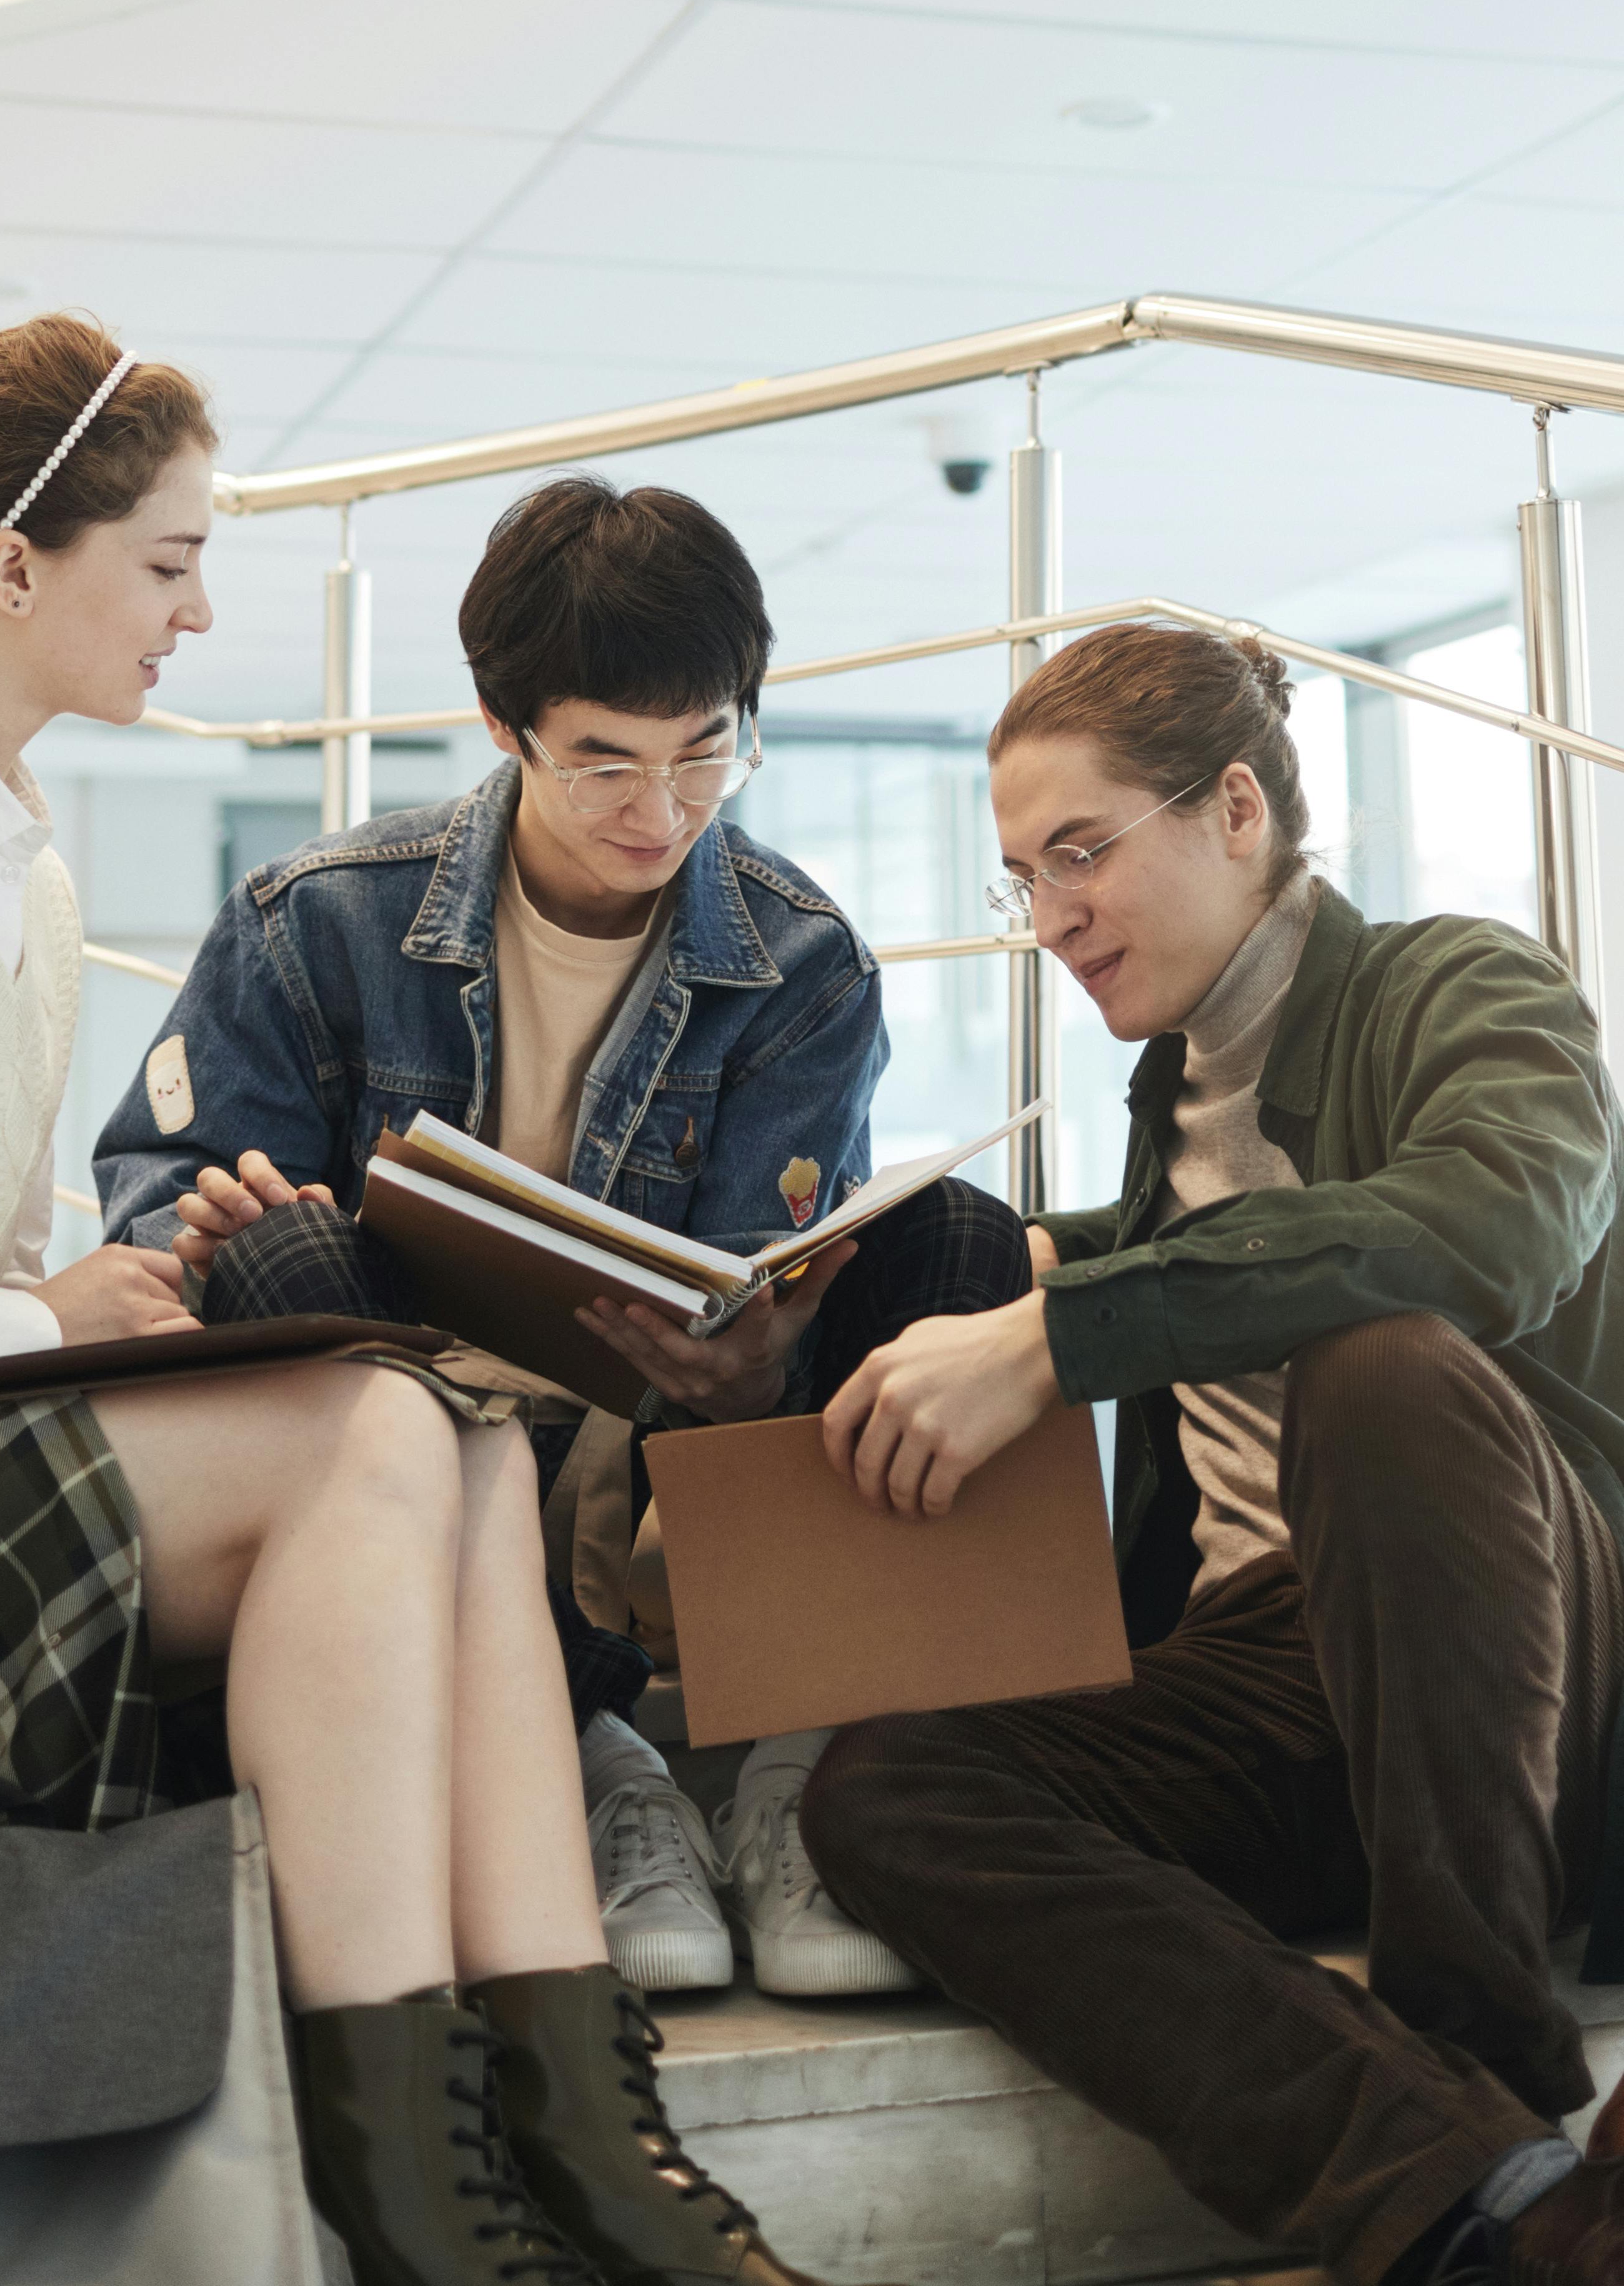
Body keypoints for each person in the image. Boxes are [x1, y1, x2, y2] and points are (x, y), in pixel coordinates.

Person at [0, 321, 947, 2286]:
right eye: (170, 558)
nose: (205, 608)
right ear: (18, 563)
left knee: (442, 1417)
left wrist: (70, 1283)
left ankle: (594, 2157)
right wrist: (54, 1320)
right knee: (387, 1412)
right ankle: (430, 2230)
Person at [797, 619, 1624, 2286]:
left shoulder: (1466, 986)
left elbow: (1478, 1229)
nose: (1051, 913)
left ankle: (1481, 2053)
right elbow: (1142, 1256)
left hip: (1556, 1655)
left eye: (1079, 849)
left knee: (1383, 1363)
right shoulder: (1171, 1098)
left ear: (1235, 805)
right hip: (1283, 1668)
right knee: (885, 1792)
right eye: (1018, 877)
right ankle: (1494, 2191)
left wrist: (1057, 1330)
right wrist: (889, 1298)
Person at [93, 472, 1029, 2002]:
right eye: (602, 764)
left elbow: (764, 1280)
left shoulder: (800, 957)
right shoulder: (314, 921)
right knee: (286, 1258)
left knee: (962, 1250)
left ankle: (807, 1779)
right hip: (411, 1440)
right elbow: (161, 1190)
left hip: (668, 1440)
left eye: (704, 752)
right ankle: (596, 1758)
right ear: (503, 724)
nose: (659, 814)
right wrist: (206, 1226)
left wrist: (742, 1368)